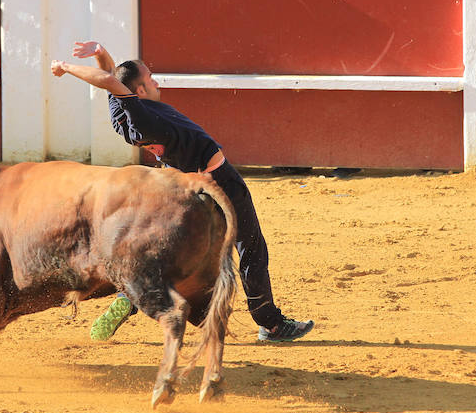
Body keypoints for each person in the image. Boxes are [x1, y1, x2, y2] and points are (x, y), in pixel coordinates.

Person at [51, 41, 315, 343]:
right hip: (220, 183)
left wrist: (99, 52)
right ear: (138, 92)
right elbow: (112, 80)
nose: (156, 81)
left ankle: (130, 296)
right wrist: (66, 67)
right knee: (251, 248)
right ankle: (272, 325)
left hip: (181, 189)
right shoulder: (145, 116)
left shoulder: (123, 118)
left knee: (172, 253)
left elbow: (112, 78)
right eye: (150, 79)